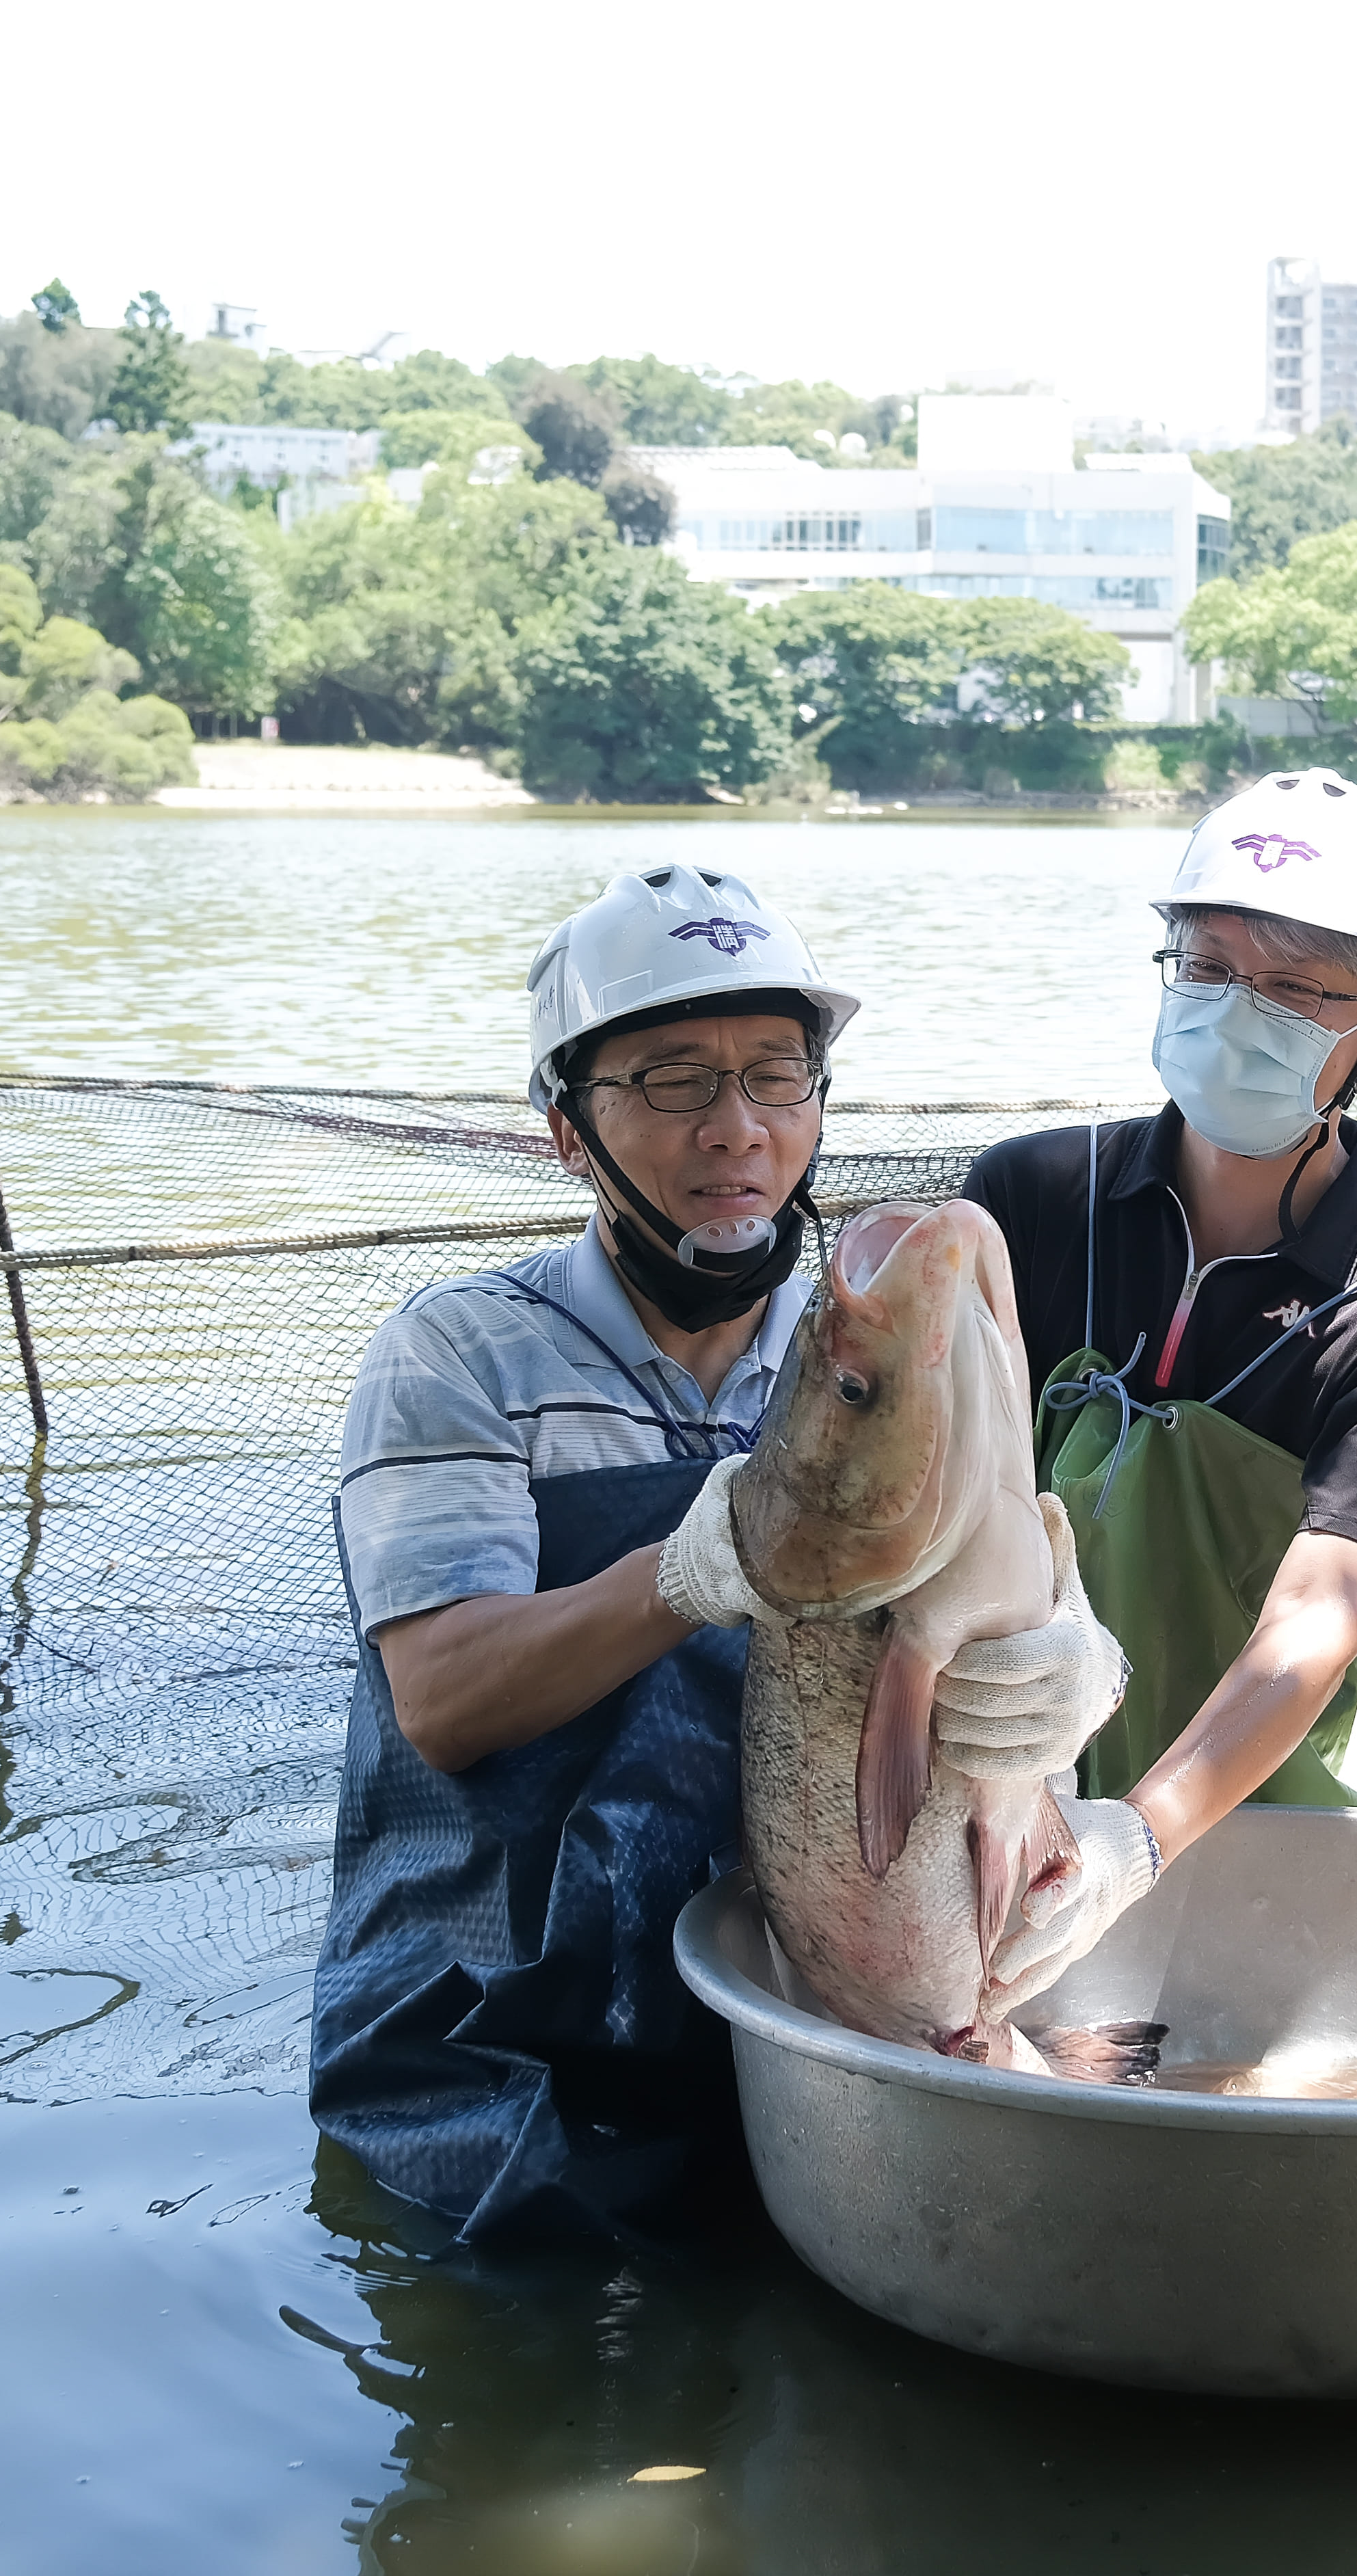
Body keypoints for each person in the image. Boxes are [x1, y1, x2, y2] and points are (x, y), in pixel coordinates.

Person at [311, 866, 1120, 2238]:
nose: (738, 1130)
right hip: (498, 2064)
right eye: (676, 1082)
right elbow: (443, 1699)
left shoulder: (859, 1351)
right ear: (572, 1128)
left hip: (791, 2030)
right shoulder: (456, 1357)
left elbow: (997, 1599)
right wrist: (693, 1569)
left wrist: (1071, 1671)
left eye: (776, 1077)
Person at [960, 770, 1357, 2007]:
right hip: (996, 1804)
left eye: (1296, 989)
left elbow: (1315, 1621)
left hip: (1268, 1841)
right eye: (1203, 966)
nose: (1233, 1013)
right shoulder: (1026, 1204)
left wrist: (1130, 1843)